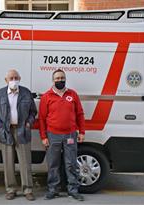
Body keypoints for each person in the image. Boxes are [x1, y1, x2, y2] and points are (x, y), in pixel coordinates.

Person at [39, 69, 85, 201]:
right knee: (53, 164)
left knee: (71, 164)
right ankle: (53, 190)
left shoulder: (72, 94)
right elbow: (41, 119)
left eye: (62, 78)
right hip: (53, 135)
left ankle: (73, 190)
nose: (60, 80)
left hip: (70, 135)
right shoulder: (47, 96)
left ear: (65, 79)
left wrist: (82, 132)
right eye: (57, 78)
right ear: (53, 80)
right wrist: (43, 137)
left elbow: (80, 114)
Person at [0, 69, 37, 201]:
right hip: (6, 131)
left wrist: (28, 123)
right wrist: (1, 127)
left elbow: (33, 112)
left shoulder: (26, 93)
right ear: (6, 80)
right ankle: (11, 189)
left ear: (20, 79)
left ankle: (28, 189)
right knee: (8, 162)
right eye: (11, 78)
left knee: (25, 162)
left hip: (22, 130)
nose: (13, 80)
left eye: (16, 78)